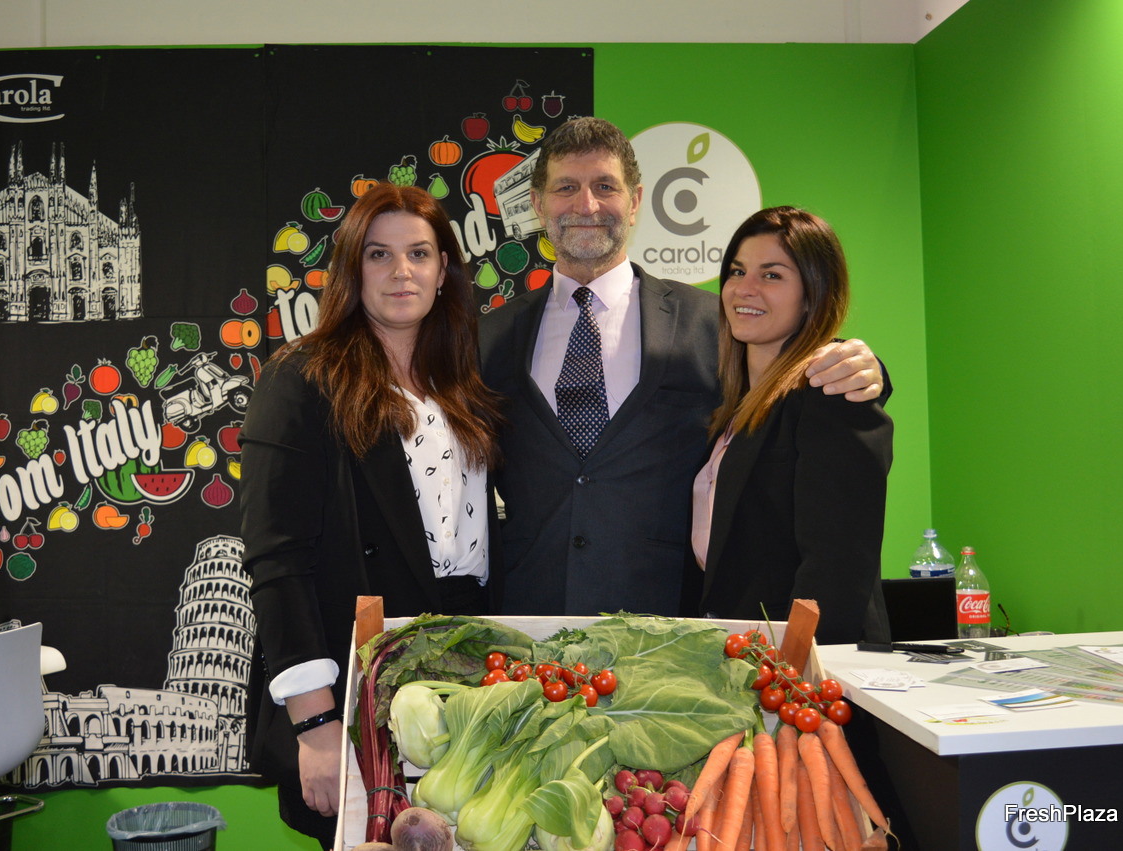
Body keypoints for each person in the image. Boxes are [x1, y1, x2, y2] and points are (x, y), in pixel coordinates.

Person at [479, 117, 886, 617]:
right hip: (528, 612)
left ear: (635, 202)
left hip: (674, 621)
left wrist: (864, 368)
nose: (586, 205)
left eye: (605, 186)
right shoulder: (488, 338)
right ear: (537, 204)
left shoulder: (715, 321)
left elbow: (790, 374)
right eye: (566, 188)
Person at [239, 184, 503, 847]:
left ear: (444, 270)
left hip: (462, 672)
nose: (401, 271)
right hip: (357, 672)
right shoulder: (301, 378)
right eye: (379, 254)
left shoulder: (464, 380)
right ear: (352, 270)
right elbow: (277, 559)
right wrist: (315, 725)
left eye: (420, 253)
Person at [692, 206, 892, 645]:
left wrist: (793, 671)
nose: (744, 288)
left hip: (803, 663)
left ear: (813, 293)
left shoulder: (831, 392)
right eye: (737, 271)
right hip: (741, 651)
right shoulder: (729, 406)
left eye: (772, 275)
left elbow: (837, 566)